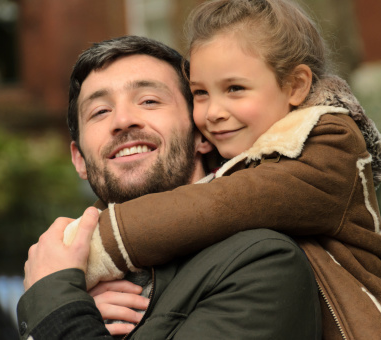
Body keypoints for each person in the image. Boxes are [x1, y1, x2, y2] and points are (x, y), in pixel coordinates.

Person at [58, 0, 381, 339]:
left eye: (235, 89)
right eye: (201, 94)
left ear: (295, 86)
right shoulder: (236, 158)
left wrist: (75, 260)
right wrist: (78, 300)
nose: (214, 112)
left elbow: (221, 204)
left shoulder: (329, 146)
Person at [17, 35, 321, 339]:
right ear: (79, 159)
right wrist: (79, 313)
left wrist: (56, 307)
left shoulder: (262, 262)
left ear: (202, 135)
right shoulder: (76, 283)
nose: (122, 120)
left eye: (149, 101)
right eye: (100, 111)